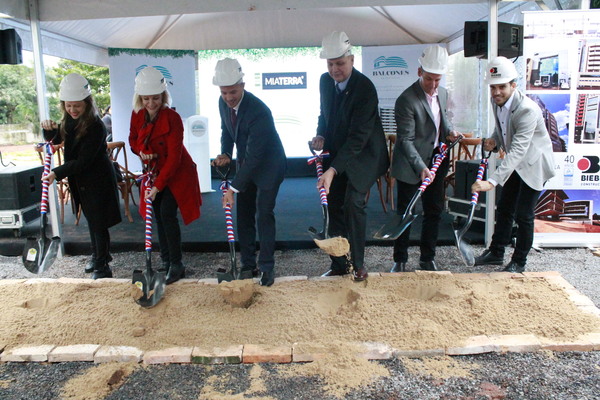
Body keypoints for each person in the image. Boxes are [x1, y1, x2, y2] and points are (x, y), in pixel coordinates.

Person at [310, 31, 389, 281]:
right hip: (339, 150)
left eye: (340, 63)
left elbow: (358, 138)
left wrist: (333, 170)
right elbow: (324, 114)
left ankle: (359, 265)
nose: (335, 69)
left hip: (365, 154)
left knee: (353, 203)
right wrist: (320, 135)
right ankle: (339, 264)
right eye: (330, 64)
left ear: (352, 60)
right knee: (332, 202)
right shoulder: (324, 81)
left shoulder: (365, 88)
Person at [472, 56, 556, 273]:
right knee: (505, 208)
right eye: (493, 87)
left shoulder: (527, 109)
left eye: (501, 87)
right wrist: (494, 140)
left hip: (533, 164)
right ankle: (496, 253)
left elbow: (519, 148)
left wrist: (492, 181)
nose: (496, 92)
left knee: (524, 215)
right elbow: (503, 127)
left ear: (513, 85)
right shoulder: (496, 101)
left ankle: (519, 261)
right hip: (515, 163)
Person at [211, 58, 287, 287]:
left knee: (263, 214)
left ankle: (266, 267)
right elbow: (227, 128)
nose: (228, 97)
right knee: (243, 214)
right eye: (224, 92)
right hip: (247, 164)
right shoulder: (222, 103)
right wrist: (225, 152)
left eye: (233, 91)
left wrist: (233, 188)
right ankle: (247, 264)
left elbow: (256, 156)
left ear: (243, 85)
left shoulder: (258, 111)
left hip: (269, 167)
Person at [41, 73, 121, 279]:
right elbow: (58, 138)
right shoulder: (69, 120)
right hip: (82, 180)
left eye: (77, 106)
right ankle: (98, 256)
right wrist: (49, 131)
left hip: (97, 179)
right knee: (91, 220)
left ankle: (102, 266)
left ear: (87, 103)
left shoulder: (95, 125)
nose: (73, 110)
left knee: (98, 223)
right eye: (68, 105)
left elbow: (84, 161)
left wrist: (56, 173)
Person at [390, 45, 461, 273]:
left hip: (436, 162)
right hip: (411, 165)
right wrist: (421, 167)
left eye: (437, 80)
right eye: (429, 79)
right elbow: (405, 140)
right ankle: (399, 259)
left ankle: (427, 257)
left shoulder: (444, 93)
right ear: (420, 71)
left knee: (434, 210)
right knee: (406, 211)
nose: (433, 86)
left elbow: (441, 122)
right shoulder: (406, 100)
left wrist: (450, 132)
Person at [129, 66, 202, 284]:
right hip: (153, 172)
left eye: (155, 98)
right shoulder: (137, 114)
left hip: (177, 173)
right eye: (146, 99)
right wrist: (140, 151)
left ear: (163, 95)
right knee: (157, 215)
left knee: (167, 212)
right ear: (140, 98)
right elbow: (133, 139)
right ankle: (167, 259)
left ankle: (177, 264)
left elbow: (174, 158)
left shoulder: (173, 118)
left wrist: (158, 186)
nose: (151, 103)